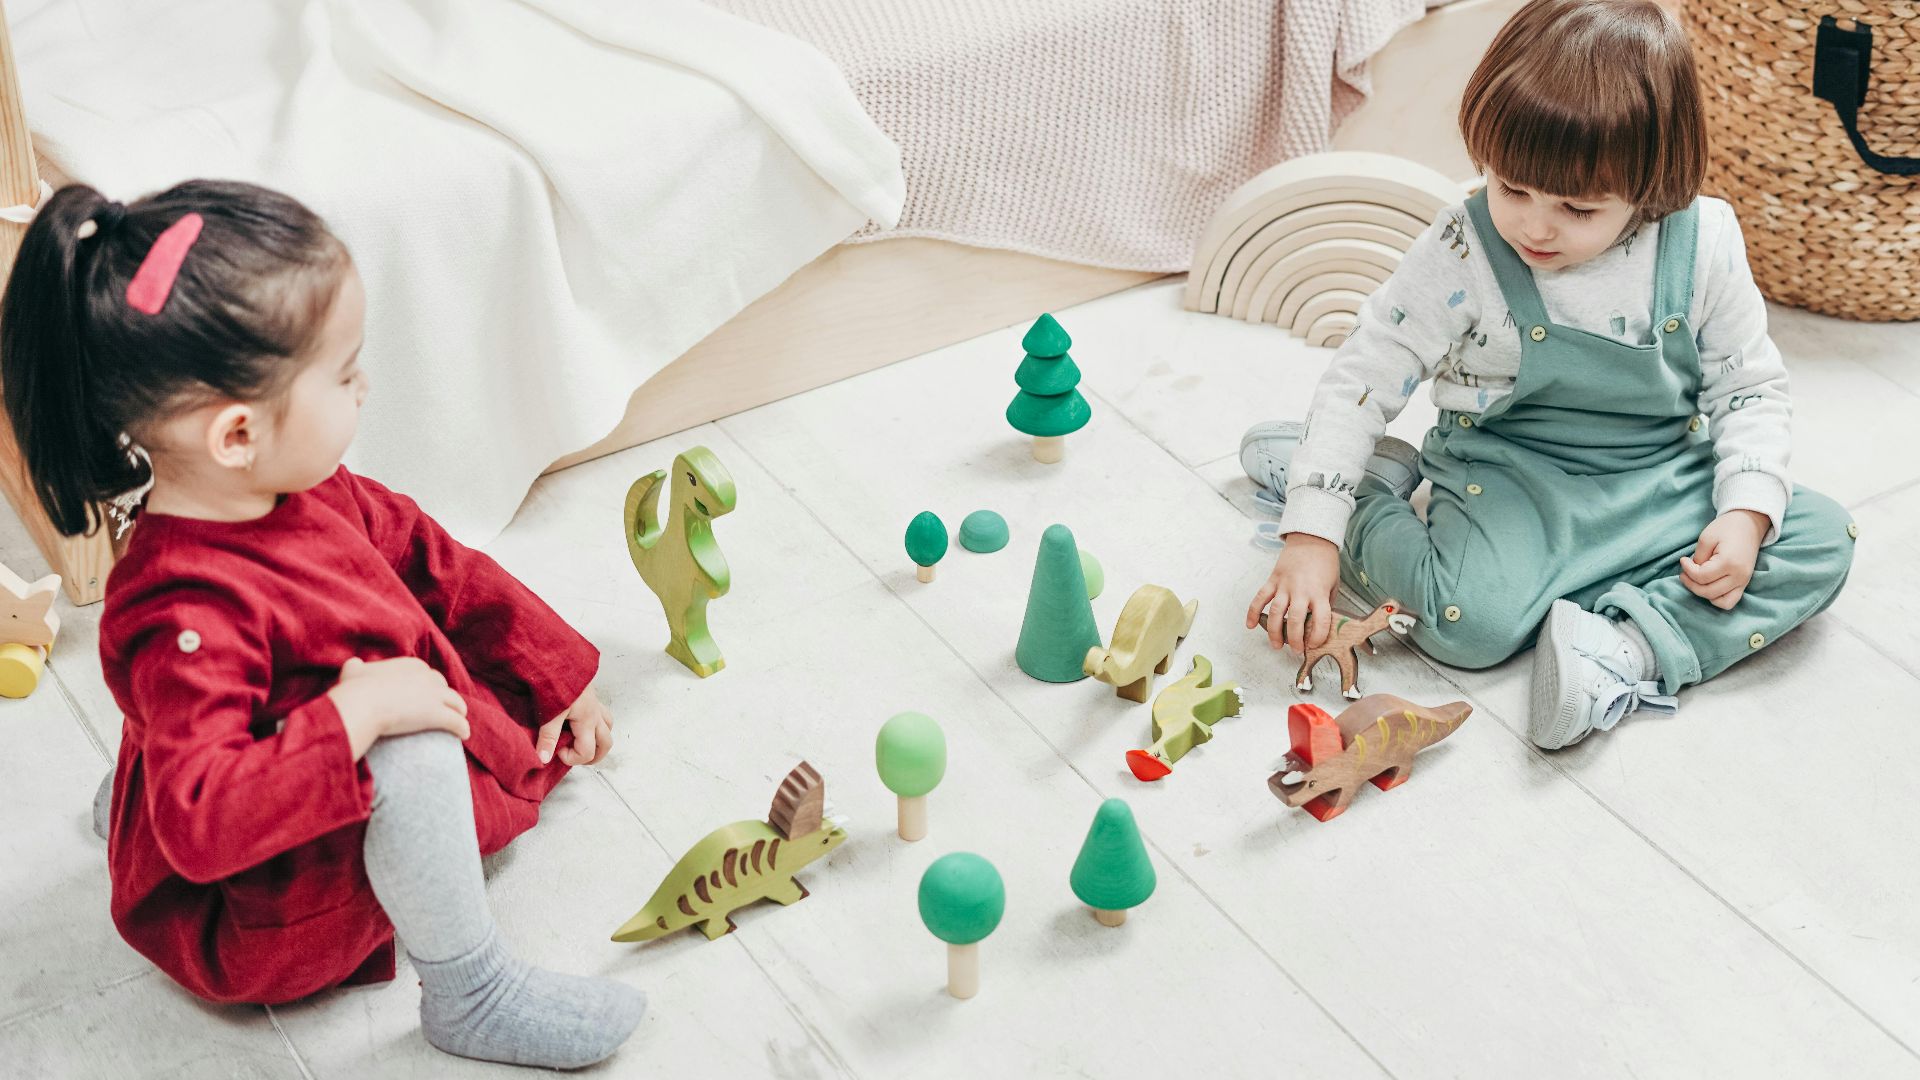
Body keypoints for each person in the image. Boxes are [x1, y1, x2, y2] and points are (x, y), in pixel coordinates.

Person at [1, 179, 644, 1069]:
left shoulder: (299, 486)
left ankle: (132, 811)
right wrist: (355, 718)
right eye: (342, 375)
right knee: (412, 745)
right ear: (236, 434)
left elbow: (433, 560)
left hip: (270, 772)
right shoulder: (177, 610)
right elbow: (204, 824)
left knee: (402, 686)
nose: (365, 386)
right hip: (263, 908)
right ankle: (472, 990)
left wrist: (552, 673)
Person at [1241, 0, 1854, 749]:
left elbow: (1749, 389)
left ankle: (1624, 651)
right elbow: (1364, 375)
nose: (1534, 226)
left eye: (1577, 207)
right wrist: (1312, 532)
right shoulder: (1464, 250)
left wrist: (1746, 515)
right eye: (1512, 189)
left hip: (1658, 477)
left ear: (1651, 183)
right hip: (1509, 476)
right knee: (1469, 630)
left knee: (1821, 536)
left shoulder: (1704, 243)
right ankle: (1360, 490)